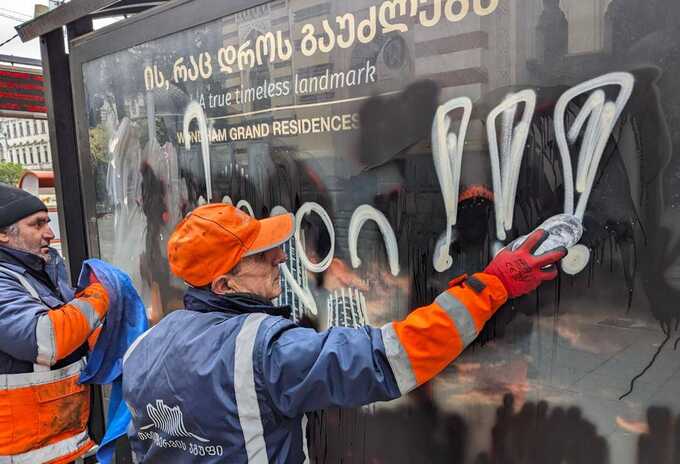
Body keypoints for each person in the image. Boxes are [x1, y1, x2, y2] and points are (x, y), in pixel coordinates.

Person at [122, 203, 566, 463]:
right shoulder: (263, 353)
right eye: (260, 256)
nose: (279, 258)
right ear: (223, 284)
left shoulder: (142, 349)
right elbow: (391, 356)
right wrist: (493, 285)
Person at [0, 185, 110, 463]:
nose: (50, 233)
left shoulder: (41, 270)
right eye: (37, 224)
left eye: (47, 222)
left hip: (59, 442)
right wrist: (99, 296)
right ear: (2, 234)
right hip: (23, 452)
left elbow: (78, 332)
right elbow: (45, 338)